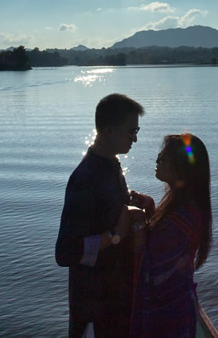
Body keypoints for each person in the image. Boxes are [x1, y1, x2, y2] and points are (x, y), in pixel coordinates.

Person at [56, 94, 156, 338]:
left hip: (115, 301)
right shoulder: (85, 178)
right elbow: (65, 253)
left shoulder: (111, 165)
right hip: (94, 311)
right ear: (109, 130)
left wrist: (133, 205)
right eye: (131, 132)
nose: (135, 139)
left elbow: (105, 214)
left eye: (137, 131)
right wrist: (114, 235)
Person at [130, 133, 213, 338]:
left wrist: (136, 224)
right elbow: (162, 245)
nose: (157, 162)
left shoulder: (180, 221)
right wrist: (150, 210)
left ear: (181, 167)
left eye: (163, 158)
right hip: (179, 308)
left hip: (166, 317)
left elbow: (152, 271)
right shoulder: (186, 207)